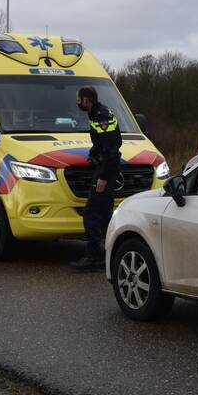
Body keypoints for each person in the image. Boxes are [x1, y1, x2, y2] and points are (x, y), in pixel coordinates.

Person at [70, 85, 121, 272]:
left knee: (91, 212)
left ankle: (93, 256)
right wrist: (94, 153)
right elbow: (103, 143)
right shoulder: (97, 113)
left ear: (86, 100)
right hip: (105, 166)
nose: (77, 103)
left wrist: (103, 177)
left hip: (106, 169)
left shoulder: (101, 116)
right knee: (106, 211)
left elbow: (111, 150)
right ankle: (109, 252)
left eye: (79, 99)